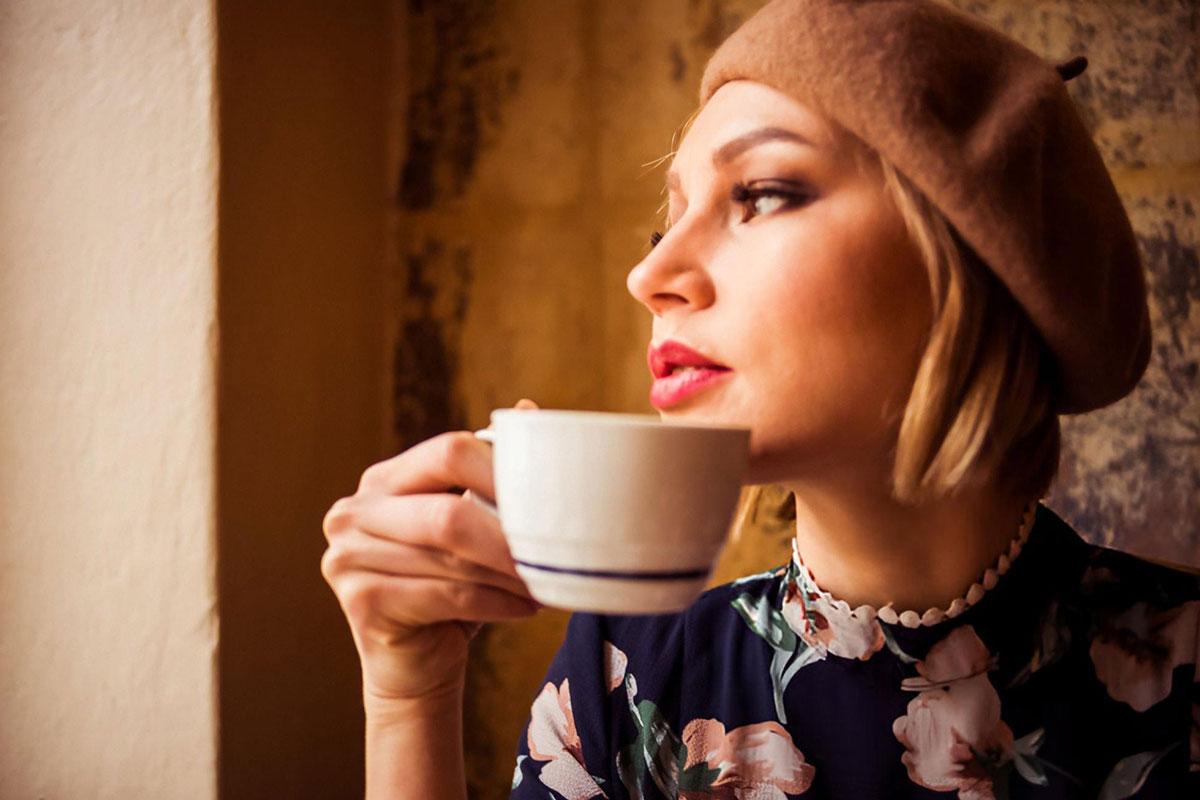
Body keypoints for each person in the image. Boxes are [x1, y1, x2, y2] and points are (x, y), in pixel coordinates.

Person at [320, 1, 1199, 797]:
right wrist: (408, 697)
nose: (649, 275)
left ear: (972, 265)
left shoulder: (1183, 678)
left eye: (763, 194)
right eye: (667, 223)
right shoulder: (627, 675)